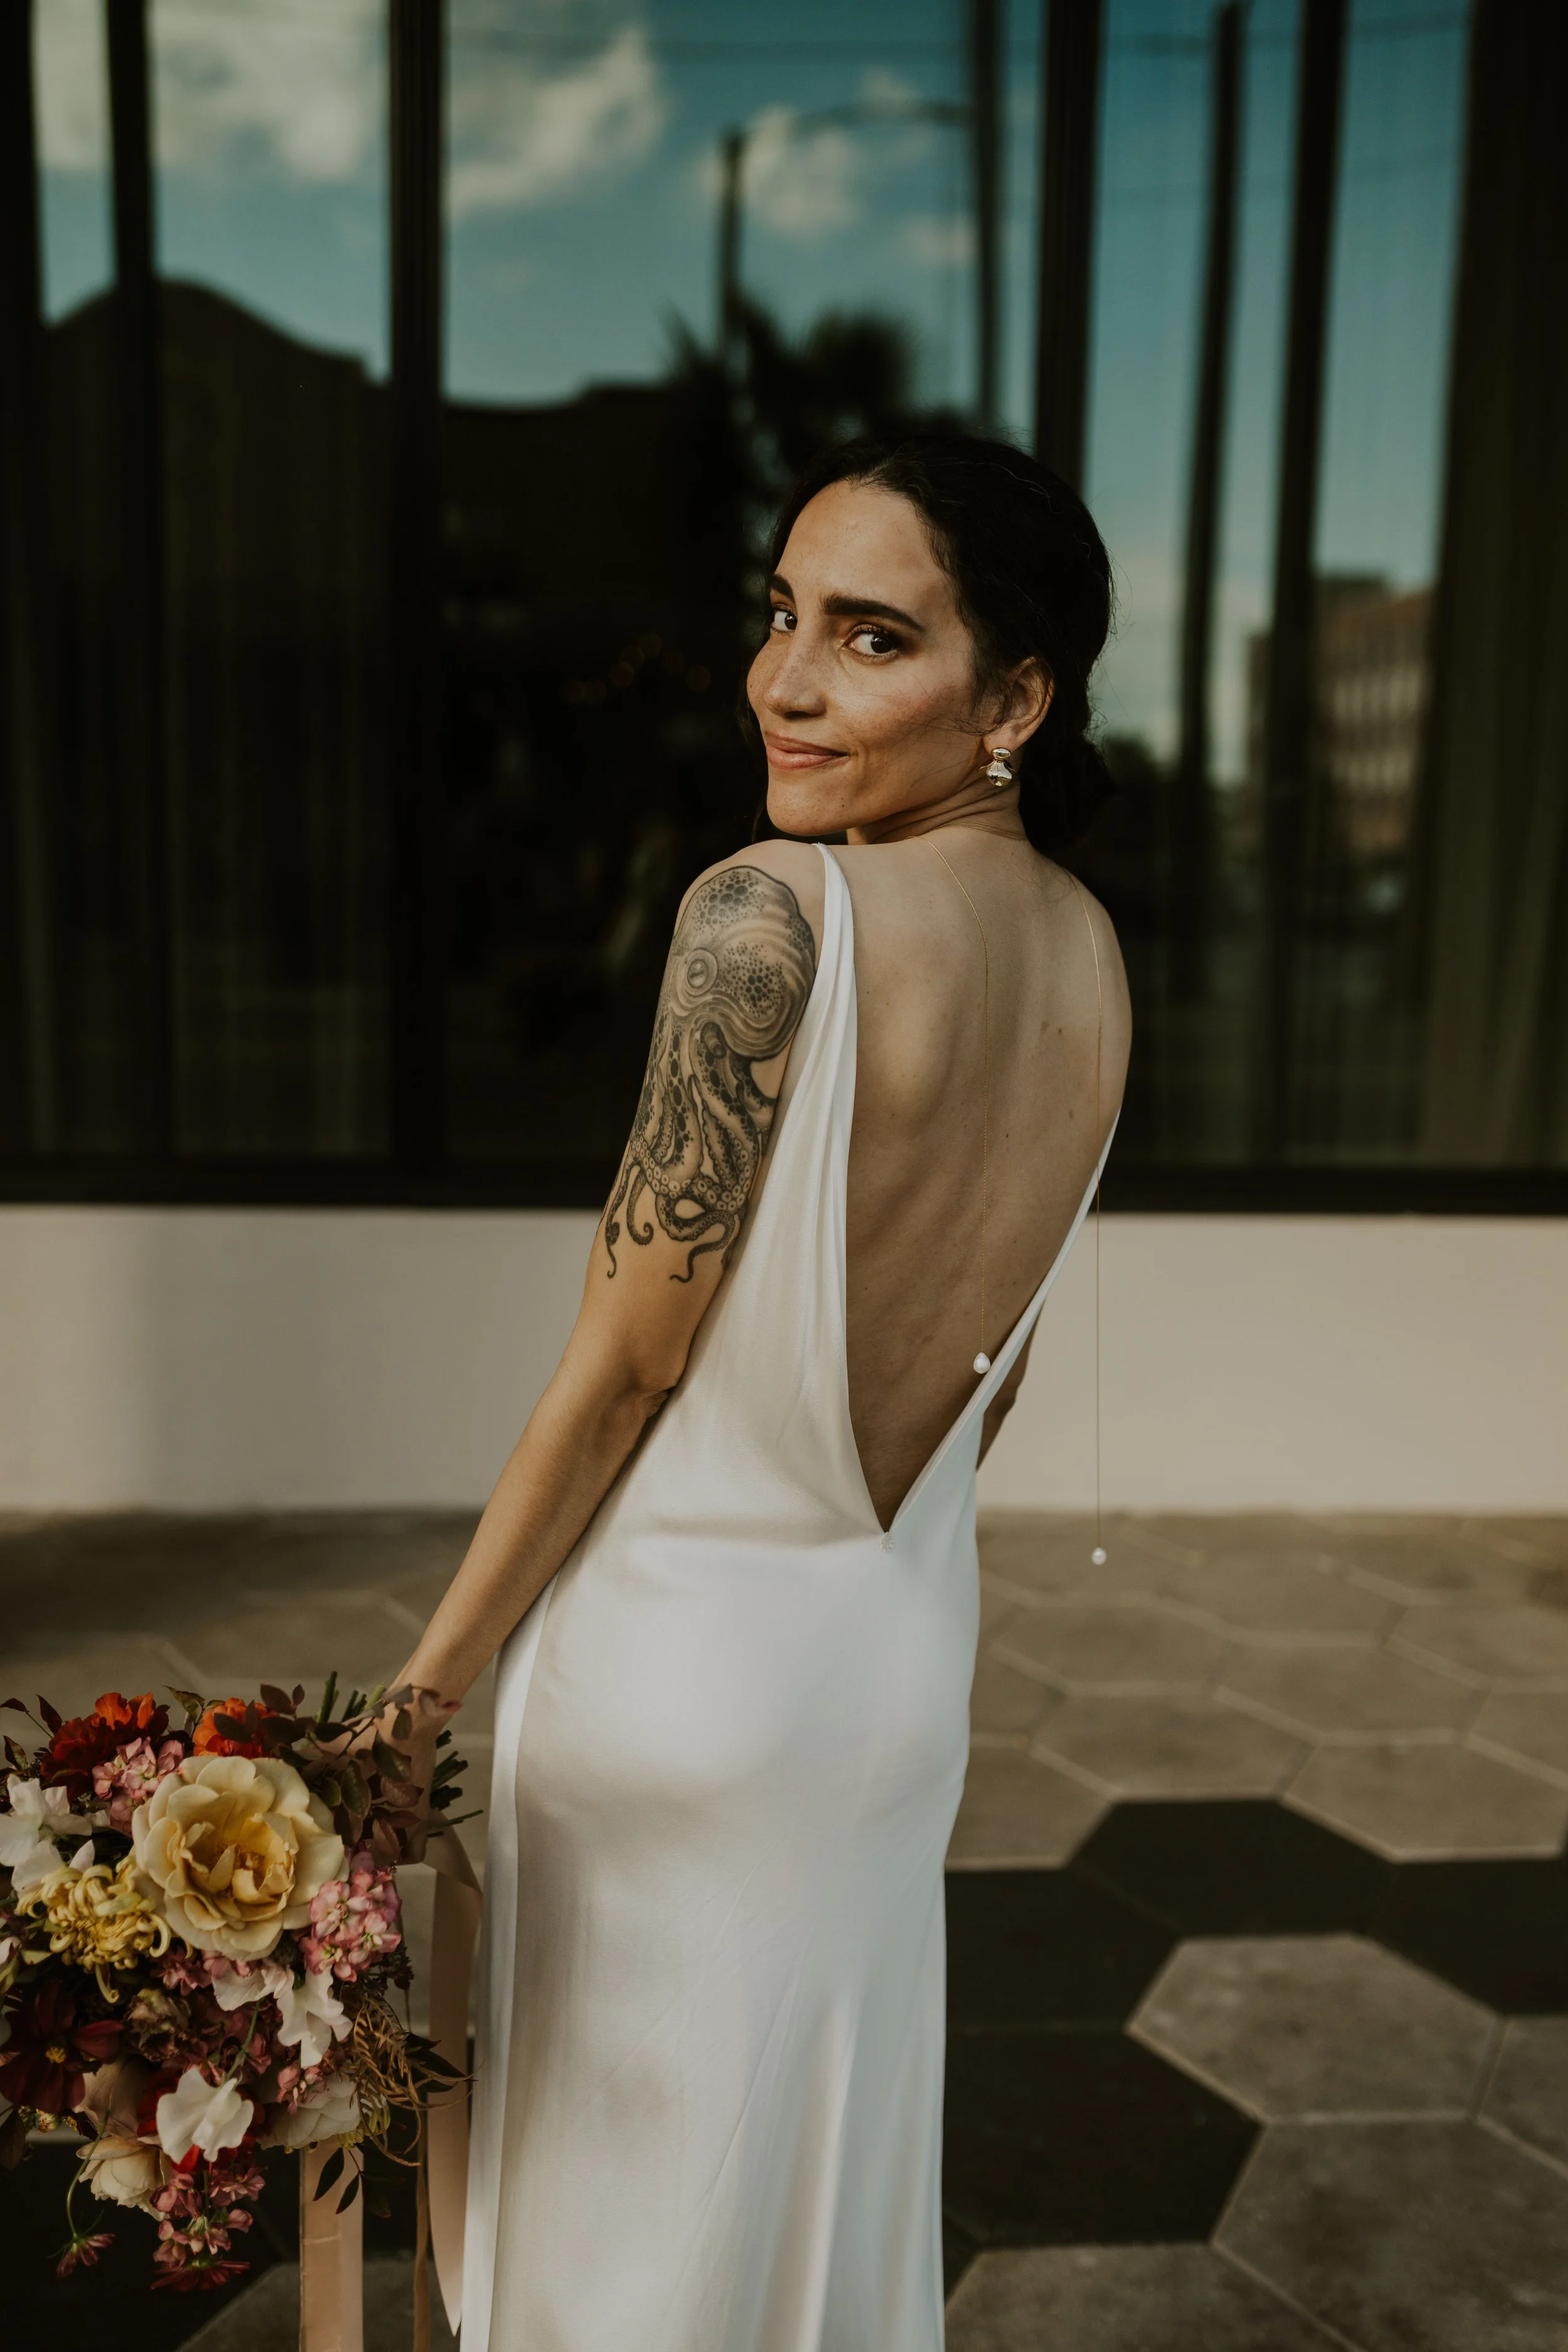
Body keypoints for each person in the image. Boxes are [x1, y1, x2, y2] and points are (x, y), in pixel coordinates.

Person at [394, 433, 1131, 2349]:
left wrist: (418, 1699)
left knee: (611, 2253)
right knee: (798, 2219)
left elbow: (624, 1364)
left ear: (1015, 698)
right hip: (890, 1685)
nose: (784, 683)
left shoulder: (766, 914)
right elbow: (993, 1381)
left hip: (675, 1689)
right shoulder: (1088, 955)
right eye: (781, 614)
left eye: (871, 637)